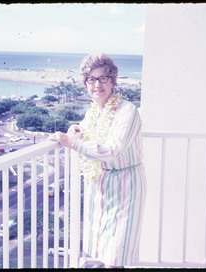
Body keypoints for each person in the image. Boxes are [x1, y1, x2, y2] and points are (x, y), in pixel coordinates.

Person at [49, 52, 146, 268]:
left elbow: (111, 150)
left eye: (103, 78)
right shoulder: (94, 112)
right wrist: (77, 130)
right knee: (104, 249)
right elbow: (89, 132)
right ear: (85, 84)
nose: (97, 84)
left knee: (117, 253)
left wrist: (72, 142)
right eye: (91, 79)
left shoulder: (128, 111)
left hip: (127, 187)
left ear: (112, 81)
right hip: (102, 187)